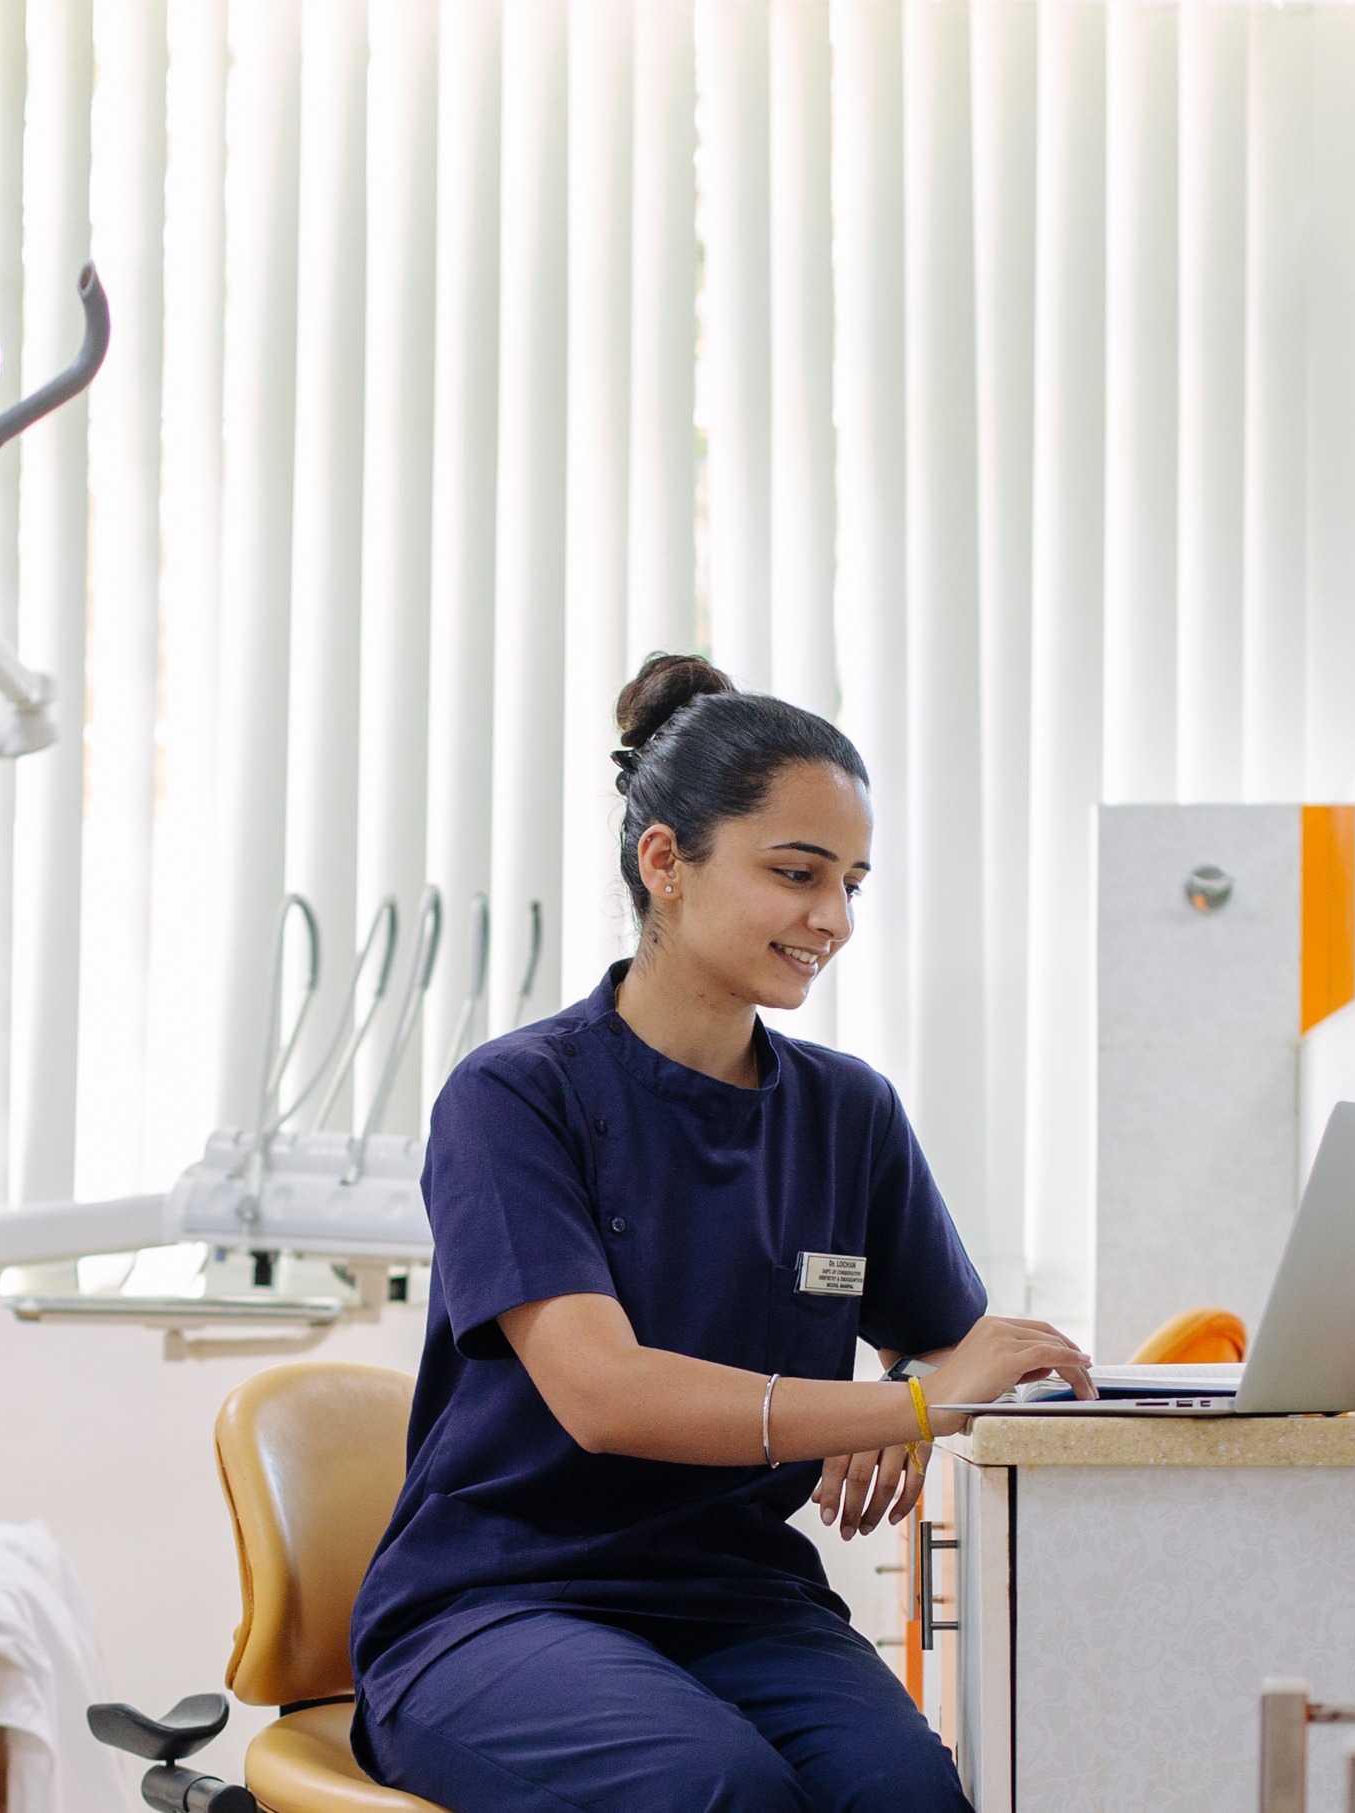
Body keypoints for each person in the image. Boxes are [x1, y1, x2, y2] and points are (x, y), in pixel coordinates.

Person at [350, 653, 1096, 1813]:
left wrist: (923, 1387)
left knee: (910, 1798)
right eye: (796, 874)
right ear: (665, 863)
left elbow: (949, 1354)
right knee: (717, 1792)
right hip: (501, 1603)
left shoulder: (848, 1114)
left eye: (852, 882)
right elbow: (607, 1397)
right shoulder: (516, 1098)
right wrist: (898, 1407)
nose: (832, 919)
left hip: (740, 1597)